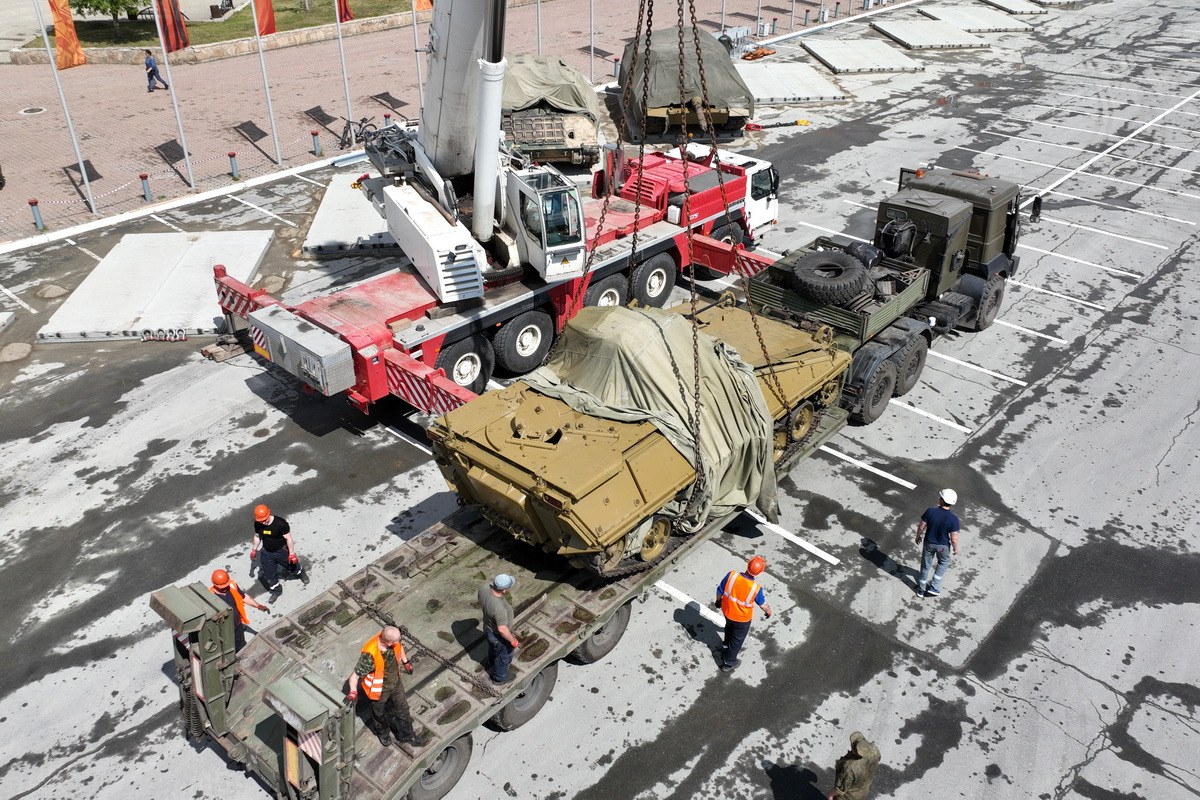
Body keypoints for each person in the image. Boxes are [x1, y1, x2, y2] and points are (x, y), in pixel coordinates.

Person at [345, 626, 426, 748]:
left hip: (395, 683)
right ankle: (383, 733)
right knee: (379, 714)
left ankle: (407, 735)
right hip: (378, 690)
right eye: (396, 640)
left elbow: (400, 648)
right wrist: (353, 692)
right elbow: (355, 675)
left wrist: (406, 662)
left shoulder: (393, 640)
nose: (399, 642)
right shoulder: (370, 654)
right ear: (388, 642)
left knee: (403, 709)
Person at [716, 556, 773, 672]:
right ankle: (728, 662)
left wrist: (718, 602)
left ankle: (725, 645)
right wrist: (769, 611)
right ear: (760, 573)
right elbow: (763, 605)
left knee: (729, 628)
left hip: (727, 612)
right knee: (737, 640)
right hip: (742, 620)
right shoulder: (756, 589)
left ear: (747, 565)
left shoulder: (731, 575)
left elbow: (719, 590)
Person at [251, 503, 308, 597]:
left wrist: (291, 554)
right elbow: (257, 536)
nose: (263, 523)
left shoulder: (280, 524)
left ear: (269, 514)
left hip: (281, 551)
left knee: (292, 566)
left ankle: (301, 573)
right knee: (269, 574)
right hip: (267, 552)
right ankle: (276, 591)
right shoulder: (258, 523)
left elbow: (288, 539)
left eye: (265, 520)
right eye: (261, 521)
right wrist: (254, 550)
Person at [208, 569, 270, 651]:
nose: (224, 589)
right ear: (214, 584)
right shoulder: (210, 596)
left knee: (241, 645)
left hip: (237, 625)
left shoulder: (232, 586)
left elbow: (244, 597)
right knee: (228, 649)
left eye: (225, 586)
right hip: (223, 630)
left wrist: (258, 605)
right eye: (221, 587)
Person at [914, 489, 961, 597]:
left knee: (926, 566)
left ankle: (921, 590)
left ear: (942, 500)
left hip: (929, 544)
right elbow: (954, 538)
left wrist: (918, 536)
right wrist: (955, 548)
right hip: (943, 547)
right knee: (943, 563)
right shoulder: (953, 519)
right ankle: (934, 587)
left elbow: (921, 526)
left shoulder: (930, 511)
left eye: (940, 497)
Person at [478, 574, 519, 684]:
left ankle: (491, 662)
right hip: (498, 636)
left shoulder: (484, 589)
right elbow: (502, 629)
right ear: (504, 591)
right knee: (504, 656)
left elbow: (480, 600)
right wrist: (513, 641)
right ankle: (500, 677)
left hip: (487, 628)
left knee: (493, 649)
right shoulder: (499, 608)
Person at [828, 731, 881, 800]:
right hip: (863, 791)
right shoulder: (874, 751)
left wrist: (830, 794)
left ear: (853, 750)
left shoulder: (850, 768)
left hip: (848, 797)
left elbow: (841, 789)